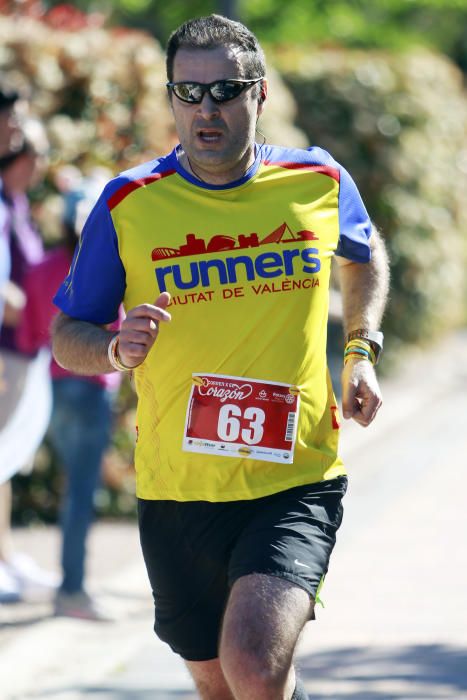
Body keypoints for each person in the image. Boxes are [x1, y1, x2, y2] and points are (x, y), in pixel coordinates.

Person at [52, 14, 389, 700]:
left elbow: (364, 254)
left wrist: (359, 349)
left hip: (295, 476)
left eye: (226, 90)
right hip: (176, 490)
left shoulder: (315, 180)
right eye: (189, 92)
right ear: (170, 100)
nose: (206, 108)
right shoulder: (128, 203)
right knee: (218, 684)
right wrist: (116, 347)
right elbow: (68, 334)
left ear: (258, 96)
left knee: (252, 667)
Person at [16, 170, 122, 620]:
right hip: (90, 388)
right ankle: (73, 591)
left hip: (49, 389)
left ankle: (73, 585)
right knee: (81, 492)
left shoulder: (40, 270)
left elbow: (26, 339)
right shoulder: (106, 265)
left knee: (71, 490)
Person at [0, 110, 57, 603]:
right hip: (7, 351)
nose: (41, 164)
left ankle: (6, 555)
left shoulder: (16, 204)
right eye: (36, 153)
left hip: (23, 351)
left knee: (5, 458)